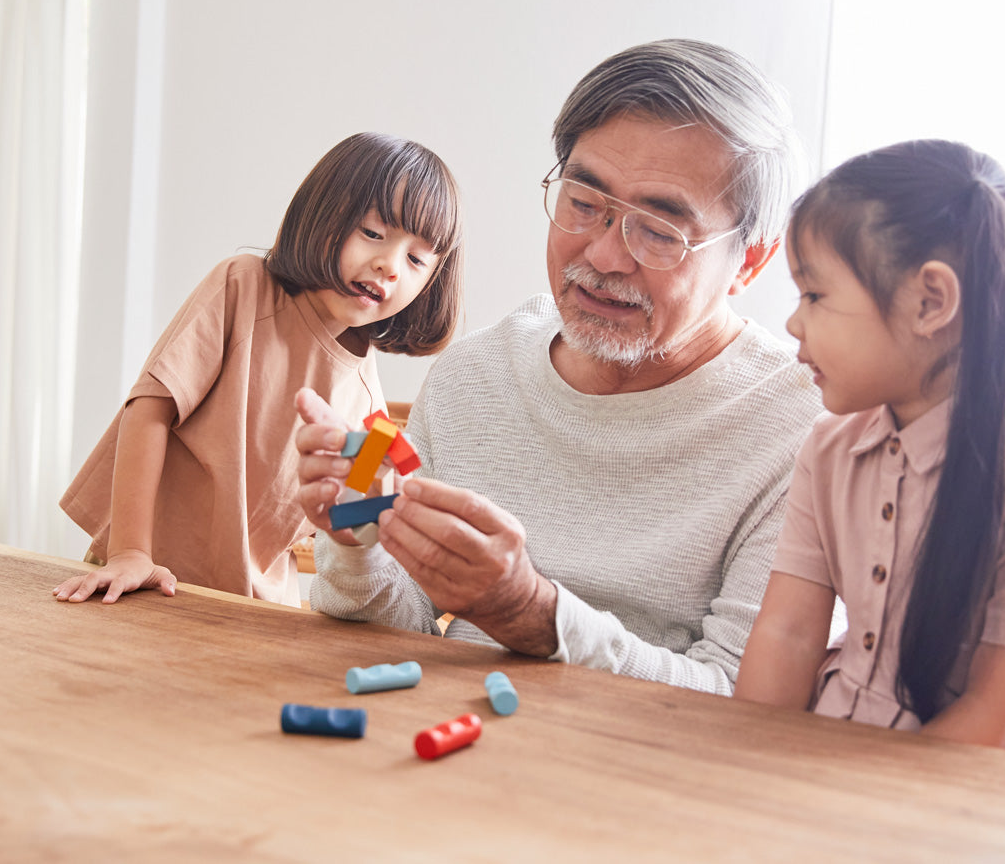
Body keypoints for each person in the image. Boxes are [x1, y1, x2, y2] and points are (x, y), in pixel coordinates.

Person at [294, 40, 826, 693]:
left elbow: (748, 700)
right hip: (450, 755)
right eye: (583, 201)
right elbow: (400, 635)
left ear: (750, 262)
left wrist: (532, 614)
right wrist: (357, 540)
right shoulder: (475, 377)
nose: (603, 255)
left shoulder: (806, 428)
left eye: (659, 231)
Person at [734, 139, 1005, 768]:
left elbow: (994, 722)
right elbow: (787, 635)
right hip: (847, 762)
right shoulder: (830, 447)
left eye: (813, 296)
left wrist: (833, 806)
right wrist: (743, 774)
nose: (793, 323)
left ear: (931, 302)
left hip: (996, 800)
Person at [54, 132, 463, 605]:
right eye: (373, 233)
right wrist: (128, 552)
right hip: (145, 584)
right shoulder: (242, 289)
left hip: (257, 614)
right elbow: (149, 409)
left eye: (416, 260)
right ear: (325, 214)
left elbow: (349, 525)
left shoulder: (369, 403)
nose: (389, 265)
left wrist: (388, 496)